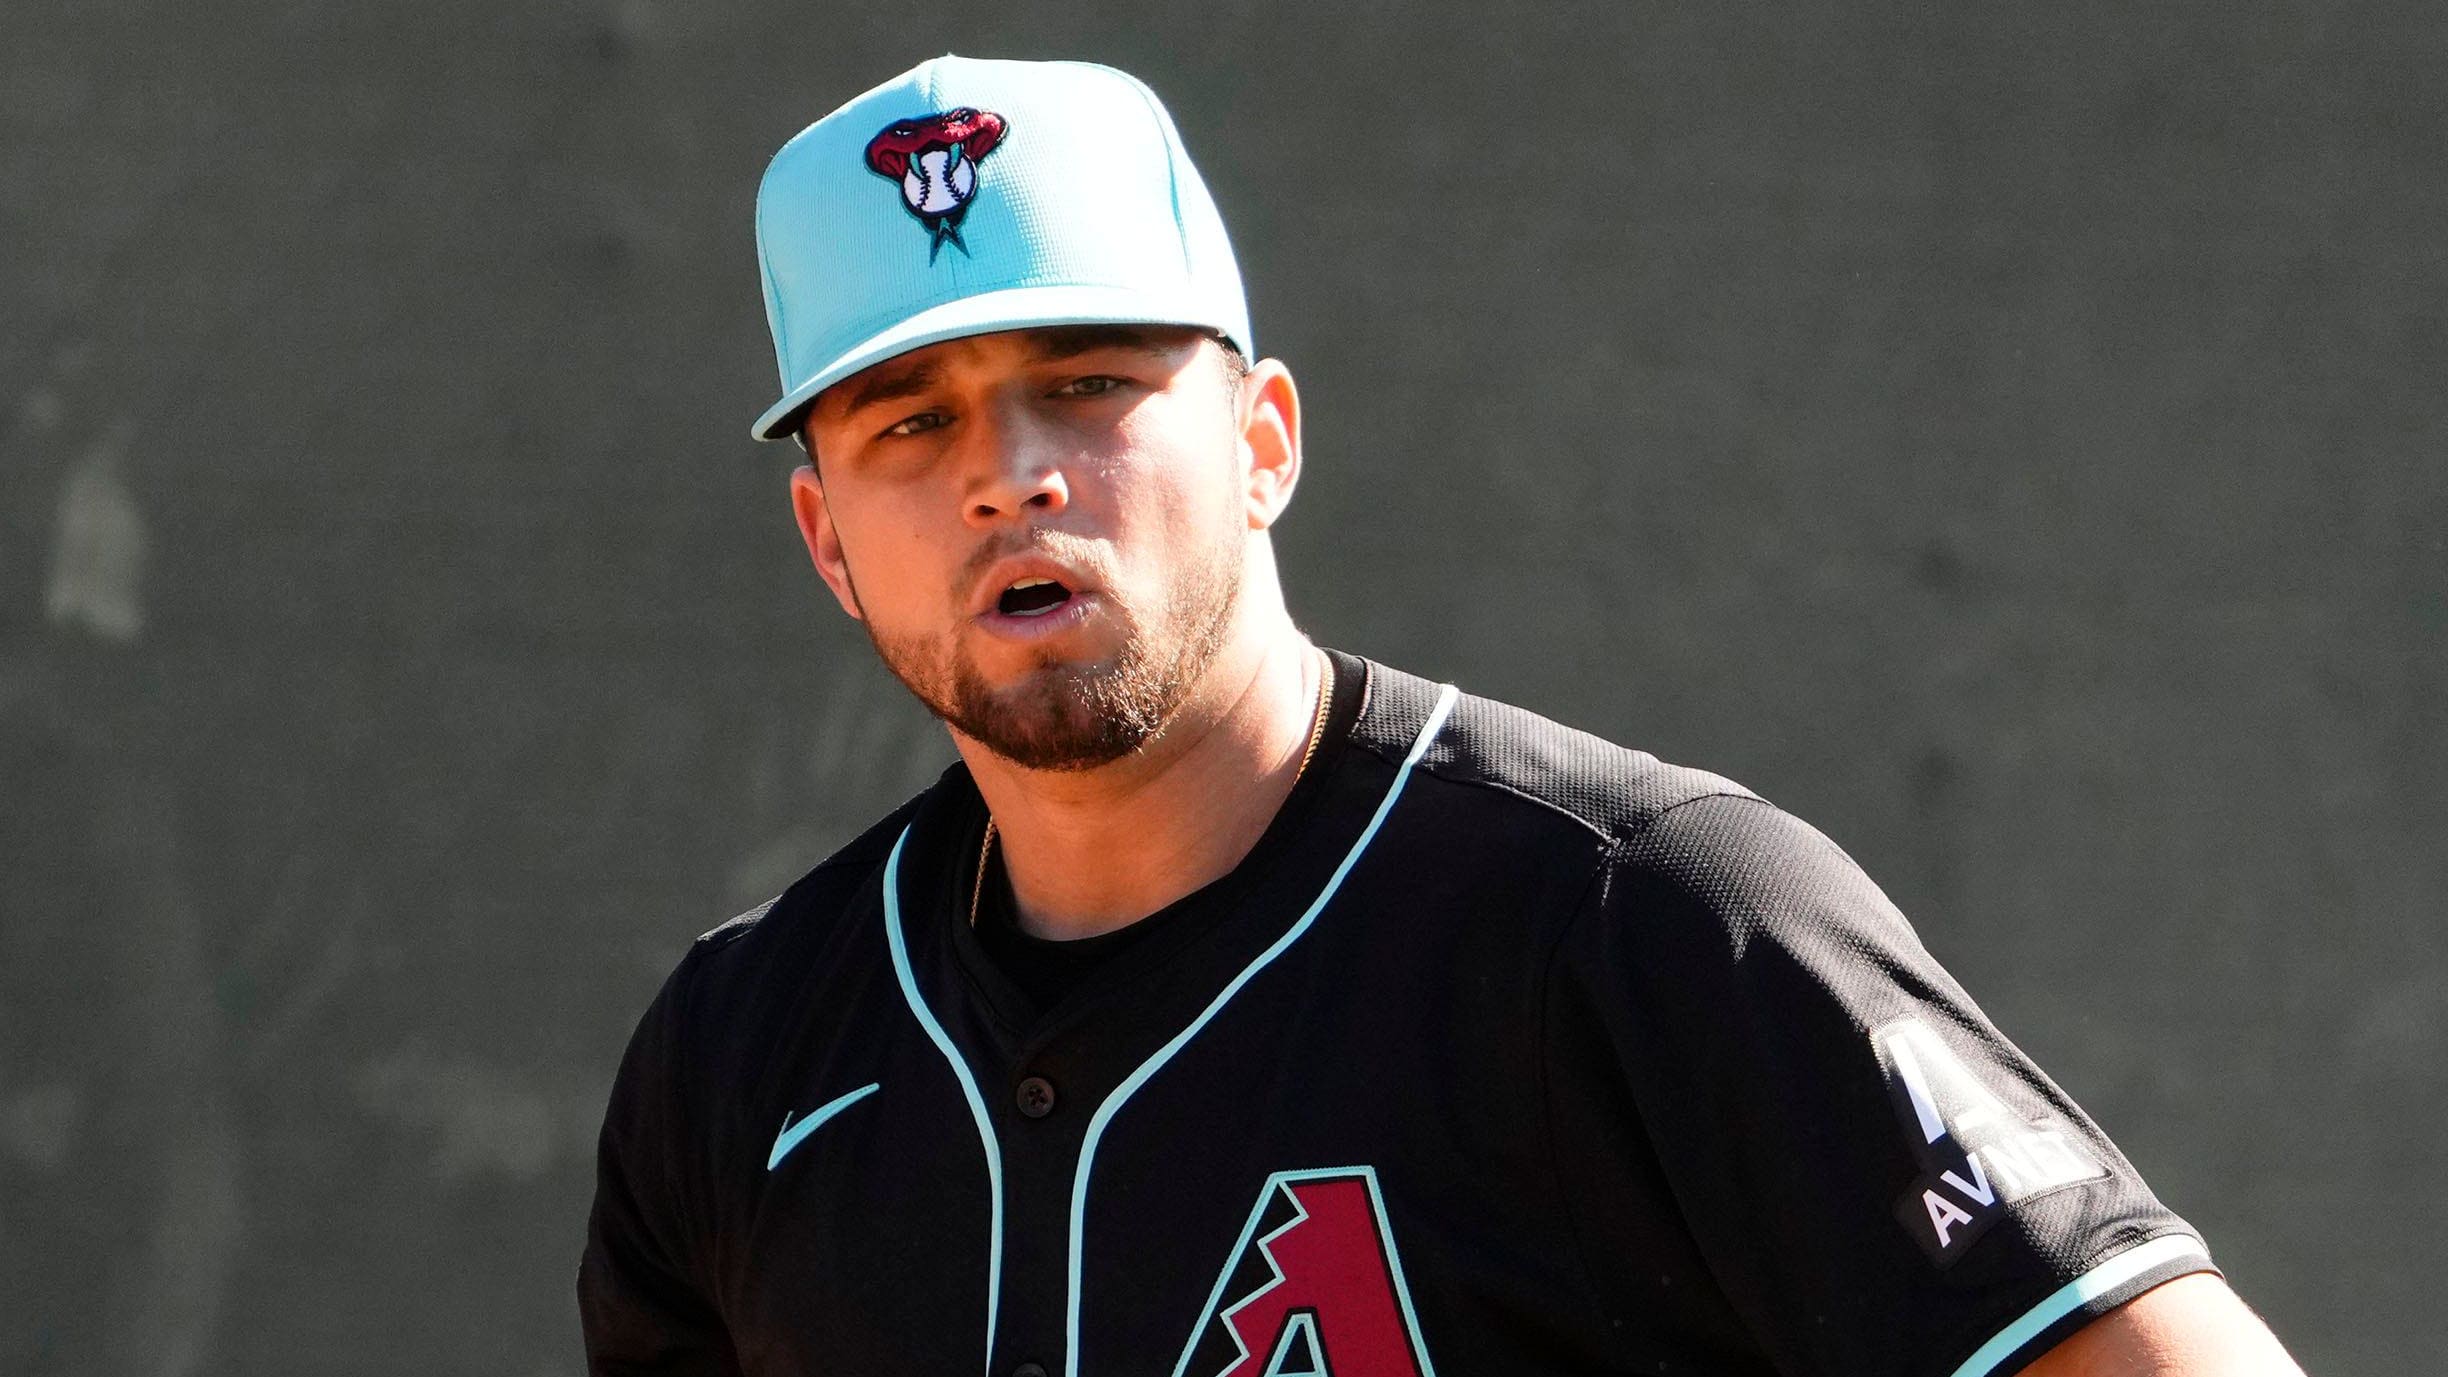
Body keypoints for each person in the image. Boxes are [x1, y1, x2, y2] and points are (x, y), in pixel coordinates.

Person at [580, 55, 2305, 1377]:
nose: (1009, 476)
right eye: (907, 422)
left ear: (1263, 442)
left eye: (1088, 384)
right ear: (827, 541)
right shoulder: (748, 1054)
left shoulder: (1654, 923)